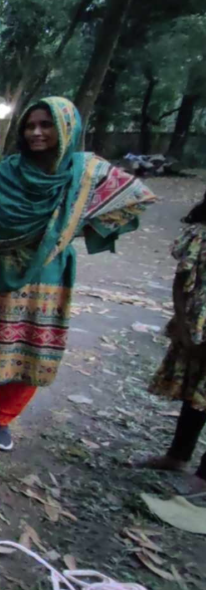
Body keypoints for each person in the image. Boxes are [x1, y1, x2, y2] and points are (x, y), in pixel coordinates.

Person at [0, 97, 156, 451]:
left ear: (67, 129)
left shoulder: (85, 172)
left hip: (47, 273)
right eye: (30, 125)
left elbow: (136, 198)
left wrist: (77, 227)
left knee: (31, 348)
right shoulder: (7, 171)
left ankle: (1, 419)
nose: (36, 132)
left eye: (46, 125)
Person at [133, 191, 206, 492]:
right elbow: (181, 282)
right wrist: (181, 322)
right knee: (195, 391)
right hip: (198, 324)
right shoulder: (201, 233)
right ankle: (177, 456)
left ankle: (203, 476)